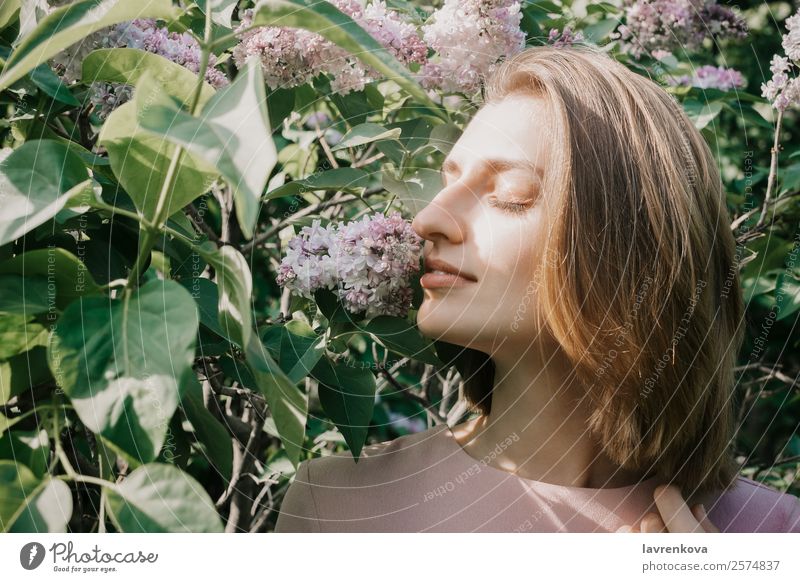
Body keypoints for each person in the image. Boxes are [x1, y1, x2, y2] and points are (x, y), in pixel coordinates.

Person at [274, 44, 800, 533]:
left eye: (508, 194)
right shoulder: (337, 506)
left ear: (634, 250)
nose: (429, 219)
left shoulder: (774, 533)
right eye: (446, 182)